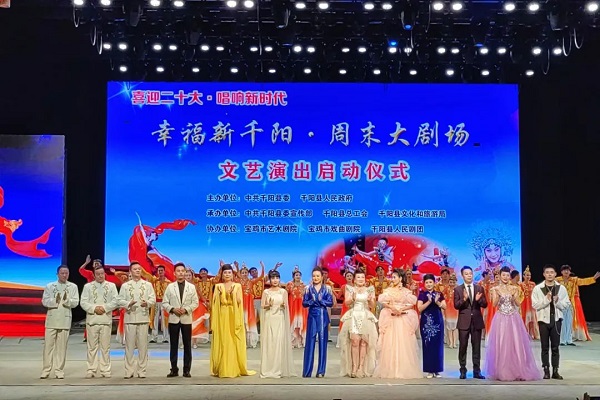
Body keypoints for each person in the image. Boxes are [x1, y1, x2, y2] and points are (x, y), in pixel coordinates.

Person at [484, 266, 541, 381]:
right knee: (502, 342)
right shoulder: (495, 289)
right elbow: (494, 304)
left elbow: (518, 304)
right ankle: (501, 370)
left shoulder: (515, 288)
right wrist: (498, 295)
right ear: (499, 276)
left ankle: (518, 369)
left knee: (515, 343)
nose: (505, 277)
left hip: (513, 317)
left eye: (507, 275)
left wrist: (514, 295)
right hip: (501, 318)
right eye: (503, 275)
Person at [374, 268, 421, 379]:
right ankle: (390, 369)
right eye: (392, 277)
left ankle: (403, 369)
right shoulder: (388, 290)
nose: (393, 279)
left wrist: (401, 309)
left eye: (395, 277)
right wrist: (393, 308)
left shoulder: (406, 291)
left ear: (400, 278)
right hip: (391, 317)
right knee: (390, 343)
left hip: (402, 318)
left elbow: (411, 303)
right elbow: (384, 303)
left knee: (403, 344)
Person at [210, 264, 256, 377]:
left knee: (232, 339)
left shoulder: (237, 286)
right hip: (222, 315)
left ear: (232, 274)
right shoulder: (218, 286)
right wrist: (221, 295)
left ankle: (233, 368)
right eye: (225, 272)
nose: (227, 274)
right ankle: (222, 368)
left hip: (233, 314)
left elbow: (240, 301)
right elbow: (214, 303)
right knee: (223, 340)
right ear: (222, 274)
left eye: (229, 272)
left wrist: (231, 295)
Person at [532, 264, 571, 380]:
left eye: (552, 272)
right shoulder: (538, 288)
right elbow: (535, 305)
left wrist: (557, 301)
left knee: (555, 347)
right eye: (547, 272)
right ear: (544, 274)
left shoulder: (561, 288)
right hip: (543, 321)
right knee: (544, 347)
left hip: (556, 320)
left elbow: (566, 305)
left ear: (555, 274)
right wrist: (546, 300)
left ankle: (555, 371)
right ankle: (546, 370)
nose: (549, 274)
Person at [118, 262, 156, 379]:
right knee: (129, 347)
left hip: (143, 318)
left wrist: (147, 303)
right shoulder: (125, 286)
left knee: (143, 346)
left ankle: (142, 370)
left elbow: (153, 299)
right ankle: (129, 370)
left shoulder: (147, 285)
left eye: (139, 269)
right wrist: (128, 303)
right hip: (130, 318)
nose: (138, 271)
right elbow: (119, 300)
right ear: (130, 271)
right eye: (135, 269)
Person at [40, 265, 79, 379]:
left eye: (66, 273)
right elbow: (44, 301)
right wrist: (54, 301)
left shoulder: (73, 286)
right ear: (57, 274)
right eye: (62, 273)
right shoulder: (50, 286)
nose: (64, 275)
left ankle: (59, 370)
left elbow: (75, 302)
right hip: (52, 320)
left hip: (65, 319)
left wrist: (67, 301)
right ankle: (46, 370)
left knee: (62, 347)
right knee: (48, 347)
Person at [80, 264, 119, 378]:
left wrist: (104, 308)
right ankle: (91, 369)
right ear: (94, 275)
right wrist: (94, 308)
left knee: (105, 347)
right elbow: (83, 302)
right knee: (91, 347)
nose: (100, 276)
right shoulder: (88, 286)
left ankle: (105, 370)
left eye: (102, 274)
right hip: (92, 320)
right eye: (98, 274)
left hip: (106, 320)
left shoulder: (111, 286)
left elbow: (115, 301)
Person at [338, 269, 378, 378]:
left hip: (365, 316)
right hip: (354, 316)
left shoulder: (370, 289)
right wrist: (352, 298)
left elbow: (373, 305)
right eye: (358, 277)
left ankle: (361, 367)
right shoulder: (350, 289)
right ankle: (354, 367)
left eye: (362, 277)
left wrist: (370, 300)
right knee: (355, 342)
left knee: (364, 343)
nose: (361, 279)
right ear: (354, 280)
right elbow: (347, 302)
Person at [163, 263, 199, 378]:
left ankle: (186, 370)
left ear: (185, 272)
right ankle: (174, 369)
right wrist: (173, 309)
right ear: (174, 273)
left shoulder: (191, 287)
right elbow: (165, 303)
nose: (181, 273)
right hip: (173, 319)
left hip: (186, 319)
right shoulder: (170, 287)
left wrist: (186, 309)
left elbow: (195, 303)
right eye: (178, 271)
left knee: (187, 345)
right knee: (173, 345)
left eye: (182, 271)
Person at [259, 270, 295, 378]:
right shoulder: (266, 292)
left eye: (277, 278)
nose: (275, 280)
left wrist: (283, 305)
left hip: (279, 319)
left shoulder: (283, 292)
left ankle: (278, 369)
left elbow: (286, 306)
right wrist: (268, 305)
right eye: (273, 278)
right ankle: (268, 369)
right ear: (270, 280)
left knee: (278, 343)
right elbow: (262, 306)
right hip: (269, 319)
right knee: (270, 344)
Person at [454, 265, 487, 380]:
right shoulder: (458, 289)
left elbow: (485, 304)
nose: (469, 275)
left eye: (470, 273)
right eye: (466, 274)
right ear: (462, 276)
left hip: (476, 321)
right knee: (463, 347)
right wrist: (464, 299)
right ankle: (463, 370)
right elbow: (456, 306)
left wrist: (479, 300)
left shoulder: (479, 288)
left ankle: (477, 371)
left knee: (476, 347)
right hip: (464, 322)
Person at [302, 267, 334, 378]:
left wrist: (321, 301)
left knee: (322, 343)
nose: (315, 278)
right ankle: (307, 371)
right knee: (310, 343)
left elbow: (330, 303)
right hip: (312, 316)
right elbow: (304, 303)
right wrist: (311, 301)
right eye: (314, 276)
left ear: (322, 277)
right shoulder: (308, 288)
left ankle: (321, 371)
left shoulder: (327, 288)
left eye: (317, 276)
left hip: (322, 316)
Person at [556, 265, 599, 344]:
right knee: (562, 321)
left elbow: (583, 281)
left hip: (570, 303)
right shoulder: (557, 280)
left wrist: (593, 278)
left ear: (570, 272)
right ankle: (562, 340)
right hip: (561, 303)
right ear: (561, 272)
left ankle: (569, 340)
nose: (566, 272)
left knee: (570, 322)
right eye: (564, 270)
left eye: (568, 270)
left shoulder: (574, 280)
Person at [418, 273, 446, 378]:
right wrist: (429, 302)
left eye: (430, 282)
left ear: (434, 283)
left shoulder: (439, 294)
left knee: (438, 346)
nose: (429, 284)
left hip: (437, 322)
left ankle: (437, 370)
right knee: (428, 346)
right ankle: (429, 370)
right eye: (427, 282)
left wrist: (437, 302)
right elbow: (419, 308)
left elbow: (445, 307)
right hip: (426, 323)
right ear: (424, 284)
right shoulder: (422, 294)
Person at [141, 265, 171, 343]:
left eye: (161, 270)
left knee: (165, 320)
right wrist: (140, 267)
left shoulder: (168, 283)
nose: (160, 272)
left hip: (165, 303)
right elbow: (145, 274)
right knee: (154, 319)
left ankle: (166, 337)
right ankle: (154, 337)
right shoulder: (154, 280)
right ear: (157, 272)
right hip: (155, 302)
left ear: (164, 271)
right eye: (159, 270)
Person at [286, 267, 307, 348]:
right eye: (296, 275)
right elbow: (285, 294)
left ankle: (300, 341)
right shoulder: (289, 285)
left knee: (301, 322)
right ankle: (293, 342)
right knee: (293, 322)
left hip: (301, 308)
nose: (298, 276)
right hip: (292, 307)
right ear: (293, 276)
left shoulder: (303, 285)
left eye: (299, 275)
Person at [520, 266, 539, 340]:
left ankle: (534, 334)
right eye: (527, 275)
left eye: (529, 275)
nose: (528, 277)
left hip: (532, 303)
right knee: (525, 317)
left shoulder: (533, 284)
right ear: (523, 276)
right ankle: (525, 334)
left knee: (533, 318)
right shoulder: (521, 284)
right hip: (524, 303)